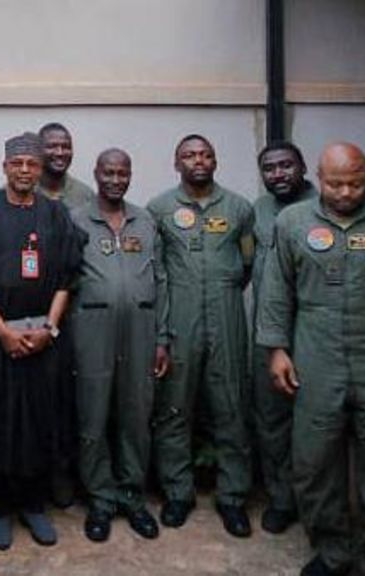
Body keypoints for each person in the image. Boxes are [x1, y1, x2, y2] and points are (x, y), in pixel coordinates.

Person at [257, 142, 365, 576]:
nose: (345, 193)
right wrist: (277, 349)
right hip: (315, 355)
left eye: (355, 183)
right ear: (318, 178)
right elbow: (277, 288)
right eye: (335, 184)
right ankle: (332, 551)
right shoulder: (292, 222)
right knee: (315, 458)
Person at [0, 132, 85, 551]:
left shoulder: (55, 214)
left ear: (40, 168)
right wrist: (3, 331)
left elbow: (67, 276)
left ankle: (34, 505)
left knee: (40, 420)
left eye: (32, 164)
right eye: (17, 163)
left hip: (43, 338)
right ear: (4, 167)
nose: (25, 171)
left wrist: (49, 328)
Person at [146, 134, 254, 537]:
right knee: (174, 406)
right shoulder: (159, 209)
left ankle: (233, 497)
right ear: (177, 164)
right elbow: (156, 271)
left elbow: (246, 263)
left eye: (206, 154)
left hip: (226, 316)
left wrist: (221, 289)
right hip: (180, 316)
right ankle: (178, 492)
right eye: (189, 155)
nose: (198, 161)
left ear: (215, 161)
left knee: (232, 406)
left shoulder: (239, 209)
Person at [69, 148, 169, 543]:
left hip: (141, 330)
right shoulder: (76, 219)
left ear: (130, 175)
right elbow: (64, 279)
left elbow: (161, 280)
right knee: (92, 416)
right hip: (92, 329)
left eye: (122, 173)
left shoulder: (145, 221)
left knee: (136, 414)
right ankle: (100, 499)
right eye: (108, 172)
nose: (115, 180)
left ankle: (132, 496)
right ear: (96, 174)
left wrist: (163, 337)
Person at [251, 141, 317, 535]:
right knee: (271, 418)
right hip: (268, 332)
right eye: (269, 168)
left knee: (315, 423)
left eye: (286, 165)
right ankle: (281, 498)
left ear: (303, 167)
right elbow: (246, 263)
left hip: (314, 334)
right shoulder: (258, 211)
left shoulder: (323, 206)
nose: (278, 174)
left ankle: (315, 502)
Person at [36, 122, 95, 211]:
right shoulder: (24, 191)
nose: (60, 153)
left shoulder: (85, 195)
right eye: (52, 146)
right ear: (37, 150)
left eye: (66, 147)